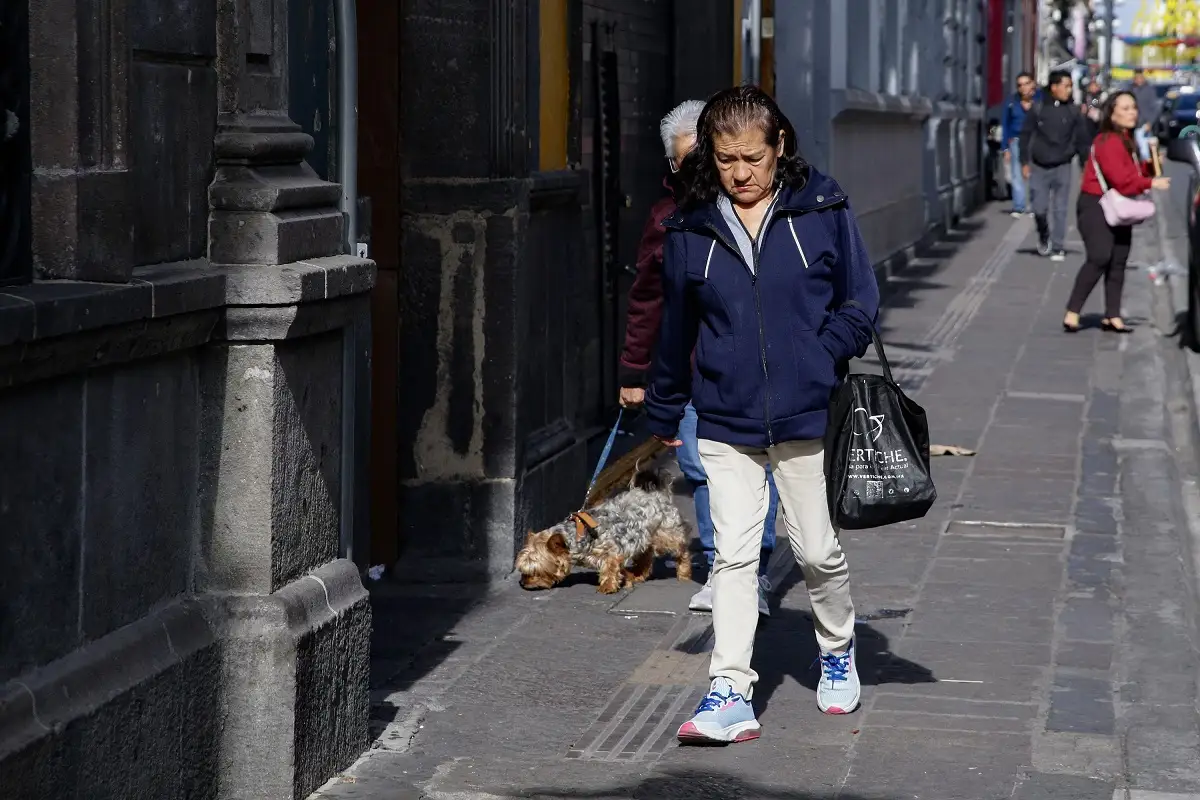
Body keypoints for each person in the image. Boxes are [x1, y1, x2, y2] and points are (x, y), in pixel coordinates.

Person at [646, 86, 880, 743]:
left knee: (817, 552)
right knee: (734, 558)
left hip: (806, 414)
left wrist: (821, 354)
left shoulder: (823, 207)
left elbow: (860, 299)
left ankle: (837, 649)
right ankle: (729, 691)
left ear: (781, 147)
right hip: (724, 416)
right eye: (725, 160)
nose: (741, 173)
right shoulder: (691, 227)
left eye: (753, 157)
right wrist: (664, 403)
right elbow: (675, 326)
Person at [618, 100, 779, 616]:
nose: (691, 172)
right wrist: (635, 371)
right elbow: (647, 298)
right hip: (689, 370)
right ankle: (721, 567)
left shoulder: (757, 210)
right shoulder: (668, 219)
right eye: (680, 162)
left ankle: (754, 567)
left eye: (697, 160)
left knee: (760, 470)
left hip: (755, 369)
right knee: (702, 468)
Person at [1063, 91, 1170, 334]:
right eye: (1125, 108)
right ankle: (1073, 310)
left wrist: (1151, 164)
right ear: (1112, 113)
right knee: (1100, 256)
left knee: (1118, 261)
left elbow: (1132, 173)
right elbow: (1121, 180)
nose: (1132, 112)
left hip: (1118, 204)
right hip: (1096, 204)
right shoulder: (1107, 141)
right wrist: (1150, 183)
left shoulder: (1126, 139)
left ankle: (1113, 315)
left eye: (1133, 107)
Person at [1019, 70, 1091, 262]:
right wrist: (1024, 162)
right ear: (1054, 87)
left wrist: (1084, 165)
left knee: (1060, 208)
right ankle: (1044, 234)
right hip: (1039, 165)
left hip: (1063, 165)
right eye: (1066, 86)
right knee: (1039, 207)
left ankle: (1058, 246)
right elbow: (1025, 135)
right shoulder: (1038, 109)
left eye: (1070, 86)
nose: (1069, 90)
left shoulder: (1074, 112)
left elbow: (1083, 140)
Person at [1000, 72, 1039, 218]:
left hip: (1036, 139)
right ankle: (1019, 206)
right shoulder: (1011, 102)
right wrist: (1005, 147)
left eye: (1026, 83)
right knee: (1017, 174)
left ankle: (1035, 206)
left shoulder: (1040, 100)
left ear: (1033, 84)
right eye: (1020, 85)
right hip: (1016, 140)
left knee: (1035, 173)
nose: (1023, 88)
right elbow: (1005, 124)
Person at [1125, 68, 1160, 162]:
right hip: (1131, 123)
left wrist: (1150, 122)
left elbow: (1155, 109)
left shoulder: (1149, 90)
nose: (1138, 80)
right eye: (1136, 78)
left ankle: (1147, 169)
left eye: (1140, 77)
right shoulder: (1130, 89)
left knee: (1144, 149)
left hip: (1144, 124)